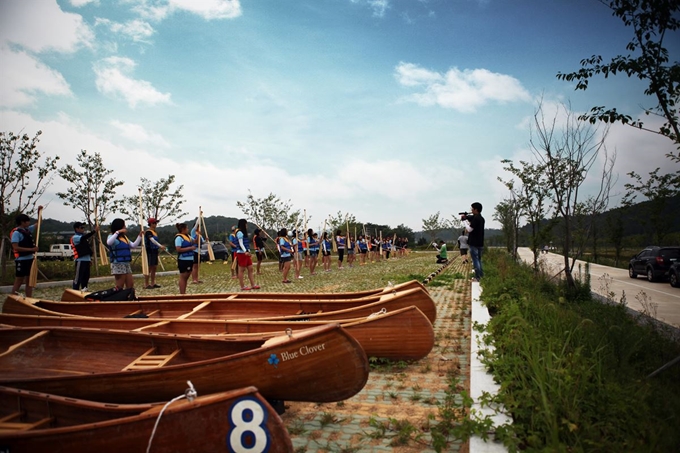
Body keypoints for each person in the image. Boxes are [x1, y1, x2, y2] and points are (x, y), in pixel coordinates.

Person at [11, 207, 42, 297]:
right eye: (27, 221)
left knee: (29, 280)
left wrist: (39, 213)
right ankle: (12, 298)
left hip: (30, 259)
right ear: (22, 222)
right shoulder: (17, 233)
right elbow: (15, 247)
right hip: (21, 260)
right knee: (19, 280)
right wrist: (31, 250)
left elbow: (38, 224)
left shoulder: (28, 230)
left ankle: (29, 298)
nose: (29, 223)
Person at [107, 218, 142, 290]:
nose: (125, 228)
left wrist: (140, 236)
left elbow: (133, 246)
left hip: (126, 263)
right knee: (120, 285)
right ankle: (119, 298)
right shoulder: (112, 236)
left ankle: (129, 298)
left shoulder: (124, 238)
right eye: (124, 226)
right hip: (118, 263)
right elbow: (109, 243)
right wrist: (117, 232)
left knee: (130, 284)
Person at [70, 221, 98, 291]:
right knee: (78, 278)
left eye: (83, 228)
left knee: (86, 277)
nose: (83, 229)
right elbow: (84, 238)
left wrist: (90, 259)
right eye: (81, 228)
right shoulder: (75, 237)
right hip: (80, 261)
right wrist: (94, 231)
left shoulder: (83, 238)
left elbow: (86, 249)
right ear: (76, 229)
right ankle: (75, 291)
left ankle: (84, 289)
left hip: (86, 260)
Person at [462, 202, 485, 281]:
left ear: (476, 209)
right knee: (479, 260)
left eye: (472, 208)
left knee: (475, 260)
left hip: (474, 243)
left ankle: (477, 277)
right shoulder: (481, 218)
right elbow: (471, 218)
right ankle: (481, 275)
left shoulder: (476, 219)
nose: (471, 210)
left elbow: (469, 229)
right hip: (480, 242)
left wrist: (464, 221)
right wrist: (467, 216)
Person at [235, 218, 259, 290]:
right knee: (241, 269)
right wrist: (245, 251)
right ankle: (242, 286)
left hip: (246, 252)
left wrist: (248, 251)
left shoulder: (243, 232)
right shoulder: (239, 232)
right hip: (242, 253)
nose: (247, 226)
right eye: (246, 224)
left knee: (250, 268)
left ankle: (253, 284)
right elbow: (241, 243)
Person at [174, 223, 198, 294]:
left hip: (190, 259)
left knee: (187, 277)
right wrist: (190, 248)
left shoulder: (188, 237)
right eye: (187, 228)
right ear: (183, 229)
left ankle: (184, 292)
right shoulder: (179, 238)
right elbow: (178, 249)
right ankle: (182, 293)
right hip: (183, 260)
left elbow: (195, 241)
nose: (188, 229)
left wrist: (198, 235)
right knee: (183, 277)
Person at [144, 218, 166, 289]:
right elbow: (152, 240)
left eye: (156, 223)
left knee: (154, 267)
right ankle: (146, 284)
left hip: (155, 251)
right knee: (149, 267)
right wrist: (160, 246)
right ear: (150, 224)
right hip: (149, 251)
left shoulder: (155, 232)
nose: (155, 225)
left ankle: (153, 283)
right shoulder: (148, 232)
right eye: (154, 223)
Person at [190, 218, 203, 284]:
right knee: (194, 266)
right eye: (198, 227)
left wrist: (206, 240)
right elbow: (196, 224)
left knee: (197, 266)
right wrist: (199, 218)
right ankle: (194, 279)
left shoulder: (200, 234)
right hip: (195, 251)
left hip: (199, 251)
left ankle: (197, 279)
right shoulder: (193, 232)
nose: (199, 228)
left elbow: (202, 242)